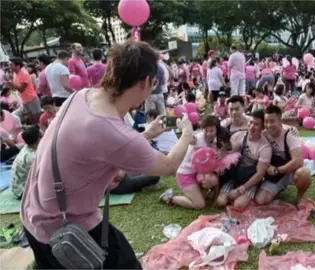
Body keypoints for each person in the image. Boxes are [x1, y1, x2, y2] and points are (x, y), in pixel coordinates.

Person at [20, 41, 194, 269]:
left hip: (32, 214)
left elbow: (104, 146)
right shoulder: (111, 130)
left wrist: (147, 133)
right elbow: (169, 165)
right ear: (145, 82)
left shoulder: (81, 96)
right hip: (63, 230)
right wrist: (187, 133)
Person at [161, 115, 223, 209]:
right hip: (185, 175)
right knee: (199, 204)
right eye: (206, 130)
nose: (208, 134)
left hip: (199, 174)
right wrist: (185, 130)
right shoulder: (198, 138)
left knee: (214, 178)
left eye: (212, 131)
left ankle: (203, 192)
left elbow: (227, 148)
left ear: (217, 130)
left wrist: (222, 152)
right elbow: (191, 139)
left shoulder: (216, 141)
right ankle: (169, 197)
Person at [255, 105, 311, 205]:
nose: (268, 125)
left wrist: (278, 170)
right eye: (266, 121)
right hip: (275, 175)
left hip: (287, 172)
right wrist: (268, 167)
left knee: (303, 173)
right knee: (261, 200)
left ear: (280, 121)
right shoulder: (264, 135)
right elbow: (258, 156)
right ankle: (279, 187)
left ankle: (300, 195)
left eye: (272, 121)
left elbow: (298, 160)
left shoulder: (290, 134)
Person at [217, 110, 272, 210]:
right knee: (221, 202)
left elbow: (259, 175)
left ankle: (249, 196)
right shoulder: (239, 136)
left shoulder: (265, 147)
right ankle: (232, 193)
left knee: (238, 205)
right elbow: (227, 150)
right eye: (250, 122)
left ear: (263, 127)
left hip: (249, 183)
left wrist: (240, 190)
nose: (251, 126)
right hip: (234, 179)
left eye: (256, 124)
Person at [4, 57, 42, 124]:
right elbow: (15, 87)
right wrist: (9, 84)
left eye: (11, 65)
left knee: (37, 119)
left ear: (18, 65)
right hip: (24, 100)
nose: (9, 67)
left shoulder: (24, 74)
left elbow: (21, 89)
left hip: (32, 99)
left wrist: (10, 83)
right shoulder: (15, 73)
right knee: (31, 120)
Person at [11, 125, 42, 199]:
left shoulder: (26, 148)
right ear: (38, 139)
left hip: (18, 188)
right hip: (23, 191)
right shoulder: (32, 157)